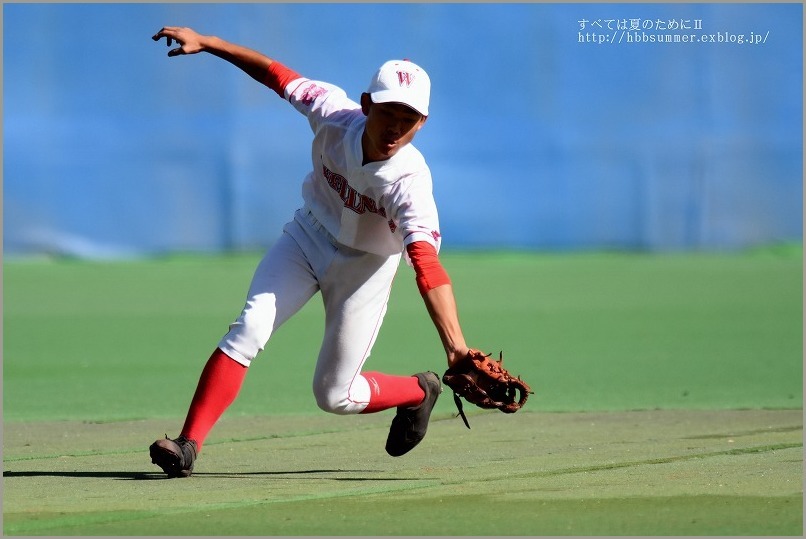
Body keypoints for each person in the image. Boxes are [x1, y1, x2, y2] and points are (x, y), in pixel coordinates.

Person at [149, 26, 472, 478]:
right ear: (366, 104)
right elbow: (275, 74)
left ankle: (418, 392)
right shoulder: (332, 112)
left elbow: (427, 266)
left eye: (410, 116)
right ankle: (187, 445)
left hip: (366, 269)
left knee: (334, 395)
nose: (397, 125)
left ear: (423, 123)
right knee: (249, 327)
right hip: (307, 238)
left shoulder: (411, 183)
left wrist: (456, 348)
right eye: (389, 111)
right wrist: (208, 42)